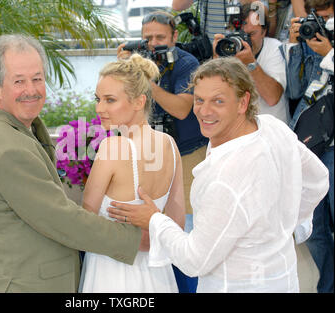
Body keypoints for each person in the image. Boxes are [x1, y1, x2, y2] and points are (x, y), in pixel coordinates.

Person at [108, 57, 329, 292]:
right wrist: (286, 225)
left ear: (243, 102)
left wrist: (154, 219)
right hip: (283, 279)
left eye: (218, 101)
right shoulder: (272, 127)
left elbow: (195, 261)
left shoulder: (226, 178)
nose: (204, 111)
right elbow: (318, 179)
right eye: (199, 99)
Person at [0, 34, 142, 292]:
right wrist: (135, 240)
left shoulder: (11, 125)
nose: (31, 90)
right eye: (19, 81)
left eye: (37, 79)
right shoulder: (7, 147)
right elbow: (61, 219)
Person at [78, 54, 185, 292]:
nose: (99, 108)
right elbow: (176, 225)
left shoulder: (112, 148)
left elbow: (85, 224)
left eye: (110, 100)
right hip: (158, 274)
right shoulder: (169, 144)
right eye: (98, 99)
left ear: (139, 102)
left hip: (112, 273)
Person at [117, 10, 205, 292]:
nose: (153, 44)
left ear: (175, 36)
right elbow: (119, 108)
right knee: (153, 231)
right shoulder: (135, 64)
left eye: (160, 37)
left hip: (188, 155)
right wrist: (123, 72)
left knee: (184, 232)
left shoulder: (186, 62)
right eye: (147, 39)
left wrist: (146, 82)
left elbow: (181, 109)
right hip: (150, 156)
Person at [280, 0, 334, 293]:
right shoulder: (312, 36)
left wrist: (329, 53)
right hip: (311, 141)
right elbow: (295, 89)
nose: (322, 22)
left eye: (327, 16)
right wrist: (294, 46)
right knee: (314, 231)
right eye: (319, 16)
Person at [213, 1, 290, 124]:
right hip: (240, 131)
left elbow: (272, 98)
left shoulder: (275, 48)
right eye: (240, 34)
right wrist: (216, 60)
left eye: (251, 34)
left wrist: (250, 63)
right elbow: (214, 95)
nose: (245, 40)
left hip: (272, 130)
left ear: (264, 32)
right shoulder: (227, 51)